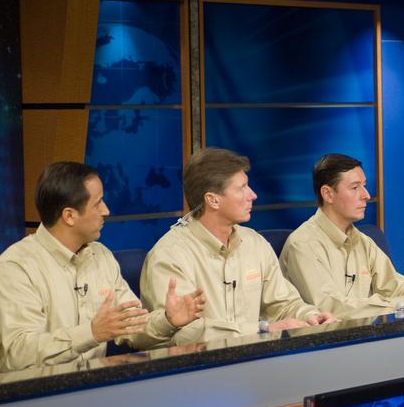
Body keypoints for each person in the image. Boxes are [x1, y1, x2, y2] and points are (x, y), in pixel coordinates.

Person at [0, 161, 202, 371]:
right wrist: (91, 333)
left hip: (92, 388)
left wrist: (167, 320)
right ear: (69, 215)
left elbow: (132, 327)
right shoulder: (15, 269)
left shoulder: (101, 256)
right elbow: (17, 355)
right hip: (32, 397)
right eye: (97, 203)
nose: (106, 210)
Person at [141, 147, 335, 343]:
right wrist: (262, 329)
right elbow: (185, 334)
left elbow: (283, 304)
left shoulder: (255, 244)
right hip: (197, 368)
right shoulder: (169, 255)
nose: (253, 195)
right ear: (213, 200)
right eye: (242, 188)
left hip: (254, 364)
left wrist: (310, 316)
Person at [280, 154, 404, 318]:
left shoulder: (363, 241)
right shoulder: (302, 245)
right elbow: (331, 310)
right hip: (323, 343)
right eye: (355, 188)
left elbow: (393, 284)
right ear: (328, 194)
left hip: (363, 340)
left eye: (364, 186)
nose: (366, 195)